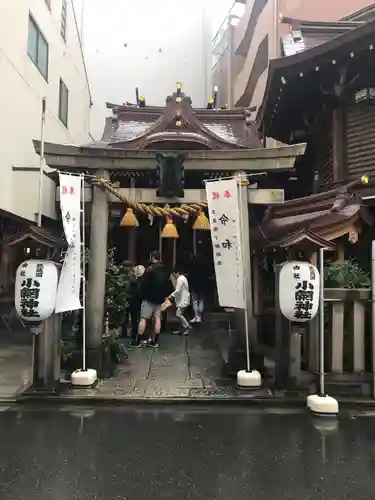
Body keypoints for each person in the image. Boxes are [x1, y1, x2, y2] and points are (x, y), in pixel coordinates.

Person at [129, 250, 172, 348]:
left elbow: (143, 284)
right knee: (157, 319)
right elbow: (168, 285)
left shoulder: (150, 270)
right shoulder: (166, 270)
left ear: (152, 258)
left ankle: (138, 340)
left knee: (143, 319)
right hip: (160, 300)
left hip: (148, 299)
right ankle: (155, 341)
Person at [168, 267, 191, 336]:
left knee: (178, 314)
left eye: (174, 274)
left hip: (183, 299)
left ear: (177, 273)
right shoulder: (183, 278)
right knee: (180, 315)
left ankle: (187, 326)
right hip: (183, 298)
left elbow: (177, 290)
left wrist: (171, 295)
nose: (174, 276)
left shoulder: (180, 279)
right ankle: (180, 330)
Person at [125, 264, 145, 341]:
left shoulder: (132, 279)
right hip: (136, 301)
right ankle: (136, 333)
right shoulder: (139, 280)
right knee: (136, 318)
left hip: (132, 300)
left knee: (133, 318)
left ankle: (132, 333)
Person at [188, 255, 207, 323]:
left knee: (195, 302)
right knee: (201, 301)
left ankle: (196, 316)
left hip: (194, 287)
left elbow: (190, 277)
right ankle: (200, 316)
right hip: (202, 287)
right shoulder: (204, 267)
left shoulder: (192, 268)